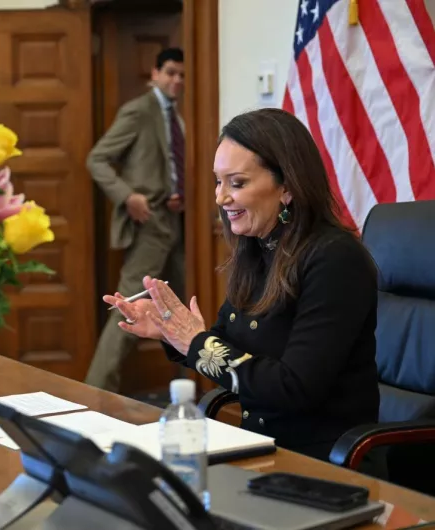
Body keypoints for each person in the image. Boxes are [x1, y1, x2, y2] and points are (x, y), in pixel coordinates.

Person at [108, 108, 380, 461]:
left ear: (287, 187)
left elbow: (293, 388)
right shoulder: (258, 248)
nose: (221, 197)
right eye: (218, 182)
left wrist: (195, 341)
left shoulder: (334, 259)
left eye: (237, 183)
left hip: (323, 464)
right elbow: (226, 344)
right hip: (261, 450)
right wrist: (171, 331)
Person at [85, 47, 186, 392]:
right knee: (127, 307)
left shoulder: (179, 115)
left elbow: (169, 165)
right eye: (171, 72)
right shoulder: (139, 111)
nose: (177, 80)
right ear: (154, 74)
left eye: (182, 75)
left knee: (182, 312)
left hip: (178, 223)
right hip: (149, 226)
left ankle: (191, 391)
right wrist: (128, 196)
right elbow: (97, 159)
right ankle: (95, 393)